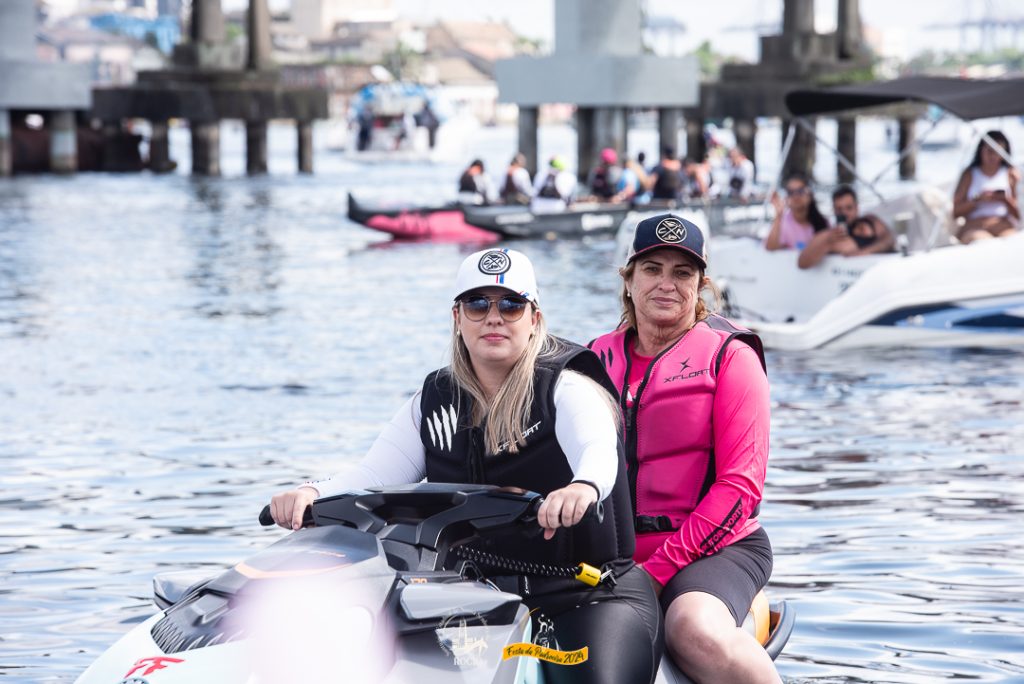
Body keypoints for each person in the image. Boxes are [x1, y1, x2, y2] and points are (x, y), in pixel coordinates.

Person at [270, 248, 663, 684]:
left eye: (511, 304)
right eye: (478, 304)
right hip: (473, 599)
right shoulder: (435, 400)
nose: (494, 317)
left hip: (587, 596)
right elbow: (372, 477)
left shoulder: (567, 387)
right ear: (457, 317)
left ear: (534, 318)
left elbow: (596, 449)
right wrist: (311, 493)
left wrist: (583, 487)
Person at [589, 214, 780, 684]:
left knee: (693, 629)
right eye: (652, 269)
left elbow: (741, 488)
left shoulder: (731, 358)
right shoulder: (592, 359)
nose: (666, 284)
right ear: (628, 279)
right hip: (611, 557)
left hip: (716, 552)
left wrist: (655, 574)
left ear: (701, 285)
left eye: (682, 273)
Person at [797, 185, 895, 269]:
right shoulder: (830, 236)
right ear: (834, 210)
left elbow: (889, 239)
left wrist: (864, 252)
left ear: (856, 208)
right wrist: (826, 243)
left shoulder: (870, 221)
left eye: (849, 208)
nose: (844, 213)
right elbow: (802, 263)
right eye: (839, 209)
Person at [953, 130, 1020, 243]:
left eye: (998, 152)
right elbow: (956, 212)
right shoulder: (969, 174)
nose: (993, 156)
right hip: (975, 225)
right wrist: (977, 199)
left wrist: (1004, 200)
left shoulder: (1010, 174)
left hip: (1002, 224)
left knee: (1012, 242)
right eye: (990, 151)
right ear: (981, 151)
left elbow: (1019, 214)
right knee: (982, 243)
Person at [764, 171, 829, 251]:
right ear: (786, 197)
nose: (796, 196)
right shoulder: (783, 223)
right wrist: (778, 215)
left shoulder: (823, 223)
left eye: (800, 191)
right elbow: (771, 248)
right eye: (791, 192)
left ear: (810, 195)